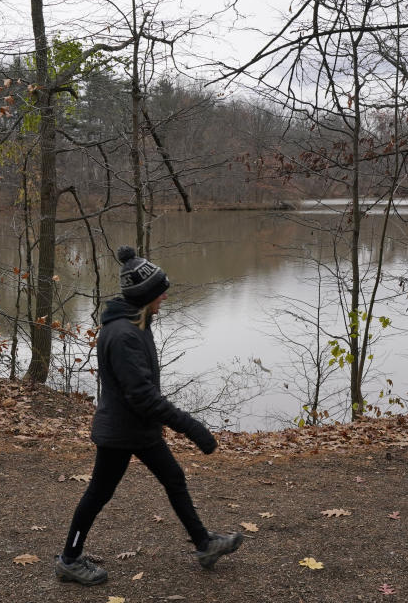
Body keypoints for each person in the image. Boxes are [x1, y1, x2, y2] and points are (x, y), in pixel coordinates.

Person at [55, 246, 243, 586]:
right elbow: (141, 396)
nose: (165, 296)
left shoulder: (135, 322)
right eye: (160, 291)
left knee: (173, 478)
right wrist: (191, 426)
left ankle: (204, 545)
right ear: (145, 296)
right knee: (98, 493)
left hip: (138, 429)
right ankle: (69, 559)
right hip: (121, 432)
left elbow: (141, 394)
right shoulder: (124, 334)